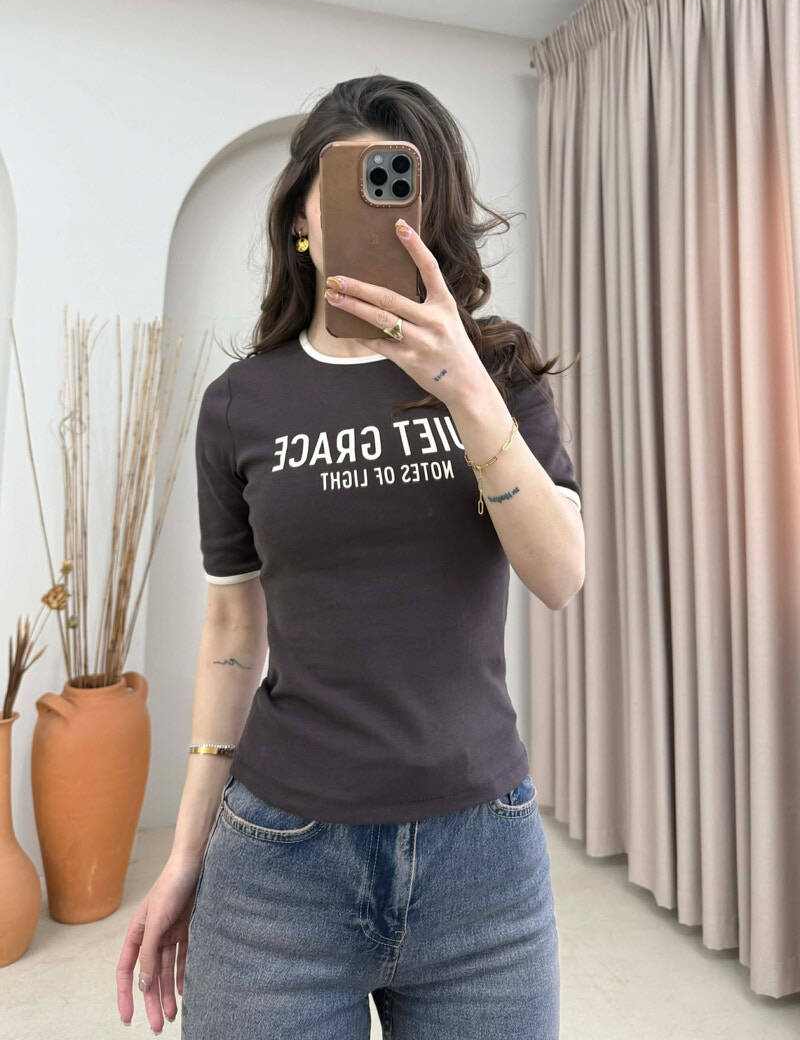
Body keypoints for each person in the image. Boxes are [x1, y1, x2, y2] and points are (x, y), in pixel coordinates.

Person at [116, 74, 584, 1039]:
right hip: (280, 860)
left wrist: (466, 392)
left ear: (435, 220)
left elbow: (560, 575)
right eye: (351, 189)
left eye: (405, 190)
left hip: (483, 867)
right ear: (302, 213)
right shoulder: (241, 403)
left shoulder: (495, 371)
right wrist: (185, 852)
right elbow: (232, 630)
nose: (383, 216)